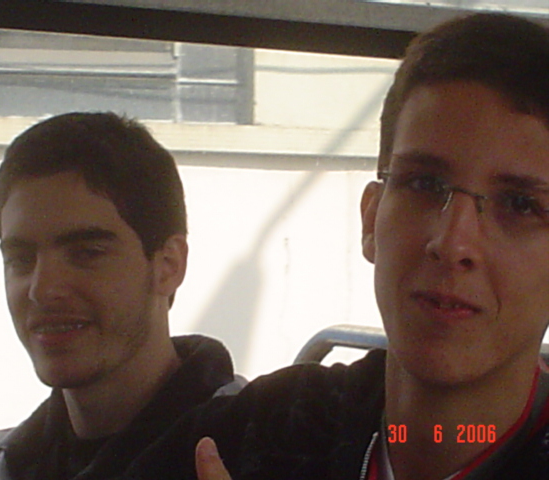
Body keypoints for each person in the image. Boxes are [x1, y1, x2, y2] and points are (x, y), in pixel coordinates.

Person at [123, 12, 549, 480]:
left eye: (520, 205)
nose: (451, 243)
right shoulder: (267, 429)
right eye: (424, 184)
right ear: (370, 219)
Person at [0, 112, 242, 480]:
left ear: (168, 265)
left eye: (86, 254)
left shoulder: (269, 448)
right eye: (21, 259)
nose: (43, 290)